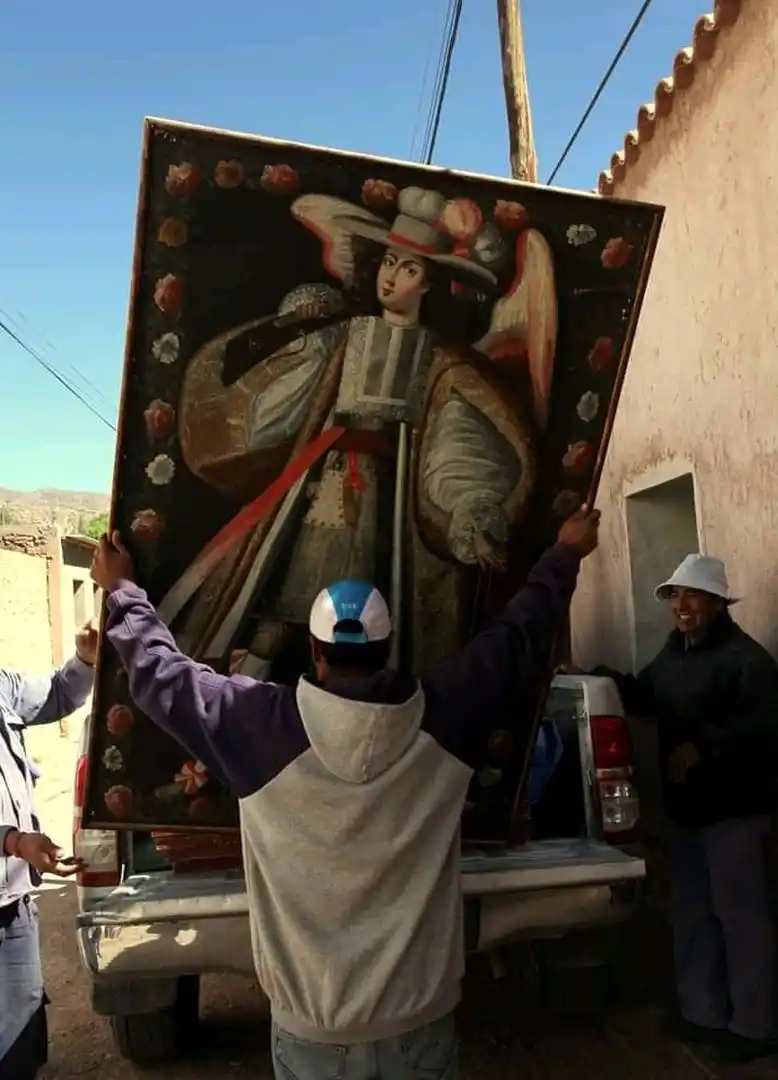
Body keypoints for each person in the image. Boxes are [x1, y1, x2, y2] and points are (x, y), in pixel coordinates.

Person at [90, 506, 599, 1080]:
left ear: (314, 650)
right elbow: (517, 638)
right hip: (419, 1023)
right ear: (389, 647)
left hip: (314, 1034)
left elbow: (162, 677)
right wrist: (565, 555)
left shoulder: (257, 726)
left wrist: (124, 591)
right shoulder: (444, 715)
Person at [592, 554, 778, 1065]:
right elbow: (644, 694)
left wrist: (704, 748)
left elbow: (765, 731)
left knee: (743, 919)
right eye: (676, 596)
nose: (682, 605)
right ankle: (703, 1013)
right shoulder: (675, 655)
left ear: (718, 602)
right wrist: (595, 678)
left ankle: (755, 1025)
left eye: (693, 595)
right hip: (689, 814)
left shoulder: (749, 662)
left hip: (736, 813)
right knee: (693, 913)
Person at [0, 624, 97, 1080]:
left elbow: (59, 693)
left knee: (21, 1036)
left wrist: (86, 659)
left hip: (13, 901)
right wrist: (14, 841)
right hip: (14, 861)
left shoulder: (3, 687)